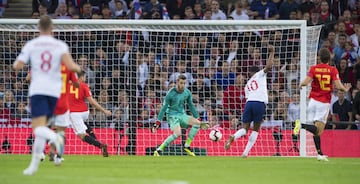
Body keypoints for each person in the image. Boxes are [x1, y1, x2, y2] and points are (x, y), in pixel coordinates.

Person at [12, 15, 81, 175]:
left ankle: (54, 138)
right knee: (43, 127)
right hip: (55, 91)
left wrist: (19, 64)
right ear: (52, 29)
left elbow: (17, 65)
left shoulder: (32, 44)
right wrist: (78, 70)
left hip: (38, 90)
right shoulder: (59, 45)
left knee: (38, 128)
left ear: (38, 28)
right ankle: (34, 166)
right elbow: (71, 66)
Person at [293, 48, 351, 161]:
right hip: (323, 103)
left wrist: (301, 85)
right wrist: (345, 89)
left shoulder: (314, 69)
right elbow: (339, 87)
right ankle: (301, 125)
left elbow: (306, 82)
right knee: (319, 130)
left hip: (312, 102)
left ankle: (319, 154)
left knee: (316, 130)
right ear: (329, 58)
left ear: (319, 57)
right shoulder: (332, 70)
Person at [224, 45, 275, 157]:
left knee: (245, 128)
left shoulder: (247, 85)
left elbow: (247, 99)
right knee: (256, 129)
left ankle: (234, 136)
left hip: (249, 103)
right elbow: (269, 66)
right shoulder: (260, 75)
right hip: (259, 103)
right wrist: (272, 52)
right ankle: (245, 153)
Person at [152, 74, 209, 156]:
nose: (182, 85)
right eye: (181, 83)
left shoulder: (187, 92)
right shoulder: (170, 93)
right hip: (172, 116)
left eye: (184, 83)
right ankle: (159, 150)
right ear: (177, 82)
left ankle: (187, 145)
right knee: (178, 133)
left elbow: (191, 105)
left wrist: (198, 118)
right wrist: (157, 122)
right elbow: (164, 108)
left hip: (182, 115)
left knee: (197, 123)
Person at [68, 71, 112, 157]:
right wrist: (104, 110)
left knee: (81, 135)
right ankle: (96, 140)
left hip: (74, 113)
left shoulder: (67, 85)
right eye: (84, 77)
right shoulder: (84, 86)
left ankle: (100, 145)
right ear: (81, 77)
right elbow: (92, 102)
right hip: (85, 112)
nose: (85, 79)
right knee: (83, 123)